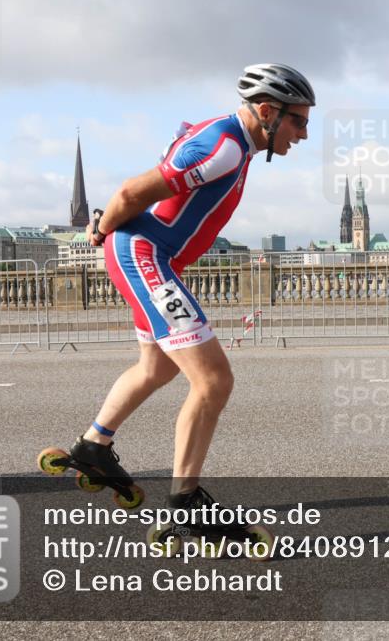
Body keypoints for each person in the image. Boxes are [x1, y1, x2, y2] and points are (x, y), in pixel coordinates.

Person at [47, 64, 314, 509]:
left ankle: (94, 446)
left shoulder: (235, 142)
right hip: (145, 256)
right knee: (213, 381)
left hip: (151, 256)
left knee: (158, 367)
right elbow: (134, 193)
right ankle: (185, 502)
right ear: (267, 110)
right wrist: (99, 229)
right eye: (298, 121)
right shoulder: (225, 147)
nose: (303, 134)